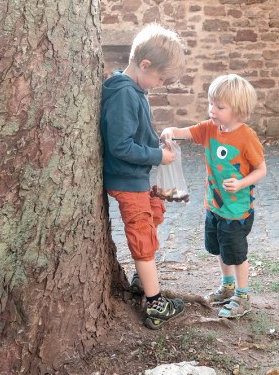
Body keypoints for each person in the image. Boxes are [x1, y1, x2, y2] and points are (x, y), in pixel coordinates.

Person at [101, 23, 186, 329]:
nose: (160, 84)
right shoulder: (123, 94)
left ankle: (141, 276)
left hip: (138, 179)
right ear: (145, 65)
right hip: (126, 180)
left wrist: (158, 144)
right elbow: (121, 145)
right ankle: (154, 303)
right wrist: (157, 156)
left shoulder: (136, 89)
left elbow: (138, 133)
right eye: (160, 78)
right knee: (143, 239)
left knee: (155, 215)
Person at [161, 74, 267, 318]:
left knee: (236, 254)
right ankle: (227, 287)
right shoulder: (210, 129)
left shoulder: (246, 137)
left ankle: (242, 296)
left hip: (237, 212)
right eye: (210, 104)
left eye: (219, 107)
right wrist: (170, 131)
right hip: (214, 207)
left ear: (238, 110)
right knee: (220, 248)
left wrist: (241, 183)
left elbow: (261, 170)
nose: (212, 110)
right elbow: (184, 132)